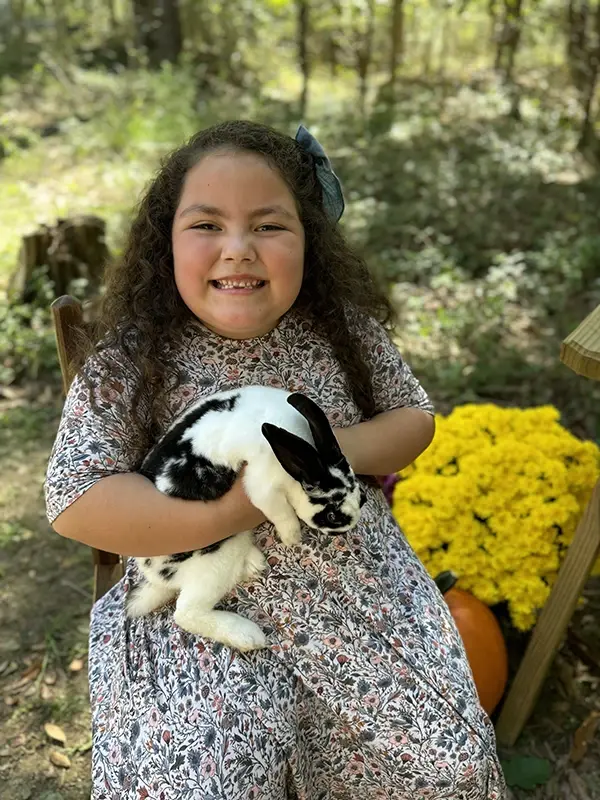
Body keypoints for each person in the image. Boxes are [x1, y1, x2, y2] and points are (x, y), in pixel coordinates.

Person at [45, 120, 506, 799]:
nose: (238, 250)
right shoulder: (130, 361)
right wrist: (233, 508)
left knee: (446, 768)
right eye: (206, 225)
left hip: (355, 593)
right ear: (164, 241)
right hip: (200, 604)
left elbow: (414, 419)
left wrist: (314, 451)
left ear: (309, 240)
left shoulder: (340, 333)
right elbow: (75, 502)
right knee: (203, 781)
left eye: (269, 226)